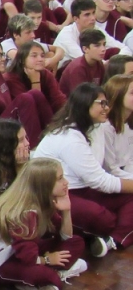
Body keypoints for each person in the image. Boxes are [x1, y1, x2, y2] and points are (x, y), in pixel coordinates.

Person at [32, 83, 133, 257]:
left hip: (84, 188)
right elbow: (100, 181)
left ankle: (112, 241)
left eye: (107, 103)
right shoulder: (69, 137)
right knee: (105, 220)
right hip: (57, 193)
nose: (106, 108)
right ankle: (115, 230)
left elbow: (102, 173)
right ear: (85, 104)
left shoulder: (97, 126)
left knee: (126, 201)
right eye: (101, 103)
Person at [0, 158, 87, 288]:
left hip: (22, 253)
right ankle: (53, 275)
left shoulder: (42, 200)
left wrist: (66, 211)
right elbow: (27, 257)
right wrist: (48, 259)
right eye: (60, 178)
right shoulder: (26, 212)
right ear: (44, 184)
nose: (66, 182)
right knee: (49, 277)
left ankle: (45, 277)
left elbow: (65, 238)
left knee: (76, 242)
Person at [0, 40, 52, 146]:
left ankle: (53, 134)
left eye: (3, 54)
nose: (3, 59)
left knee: (35, 94)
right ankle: (33, 147)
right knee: (25, 98)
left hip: (4, 121)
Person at [55, 0, 132, 68]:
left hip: (96, 67)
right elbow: (83, 59)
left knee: (115, 51)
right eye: (87, 15)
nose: (93, 18)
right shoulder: (66, 34)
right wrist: (108, 65)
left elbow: (124, 48)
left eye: (93, 13)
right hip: (71, 71)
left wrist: (116, 62)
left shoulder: (96, 29)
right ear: (76, 19)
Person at [4, 41, 67, 114]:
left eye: (42, 56)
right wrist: (35, 81)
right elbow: (30, 108)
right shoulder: (10, 79)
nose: (40, 59)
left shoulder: (45, 73)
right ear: (22, 60)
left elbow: (58, 100)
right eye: (34, 56)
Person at [99, 75, 133, 182]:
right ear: (118, 95)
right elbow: (110, 169)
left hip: (126, 175)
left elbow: (130, 160)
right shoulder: (106, 127)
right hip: (113, 181)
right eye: (132, 93)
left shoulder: (128, 123)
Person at [59, 29, 106, 94]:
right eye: (97, 46)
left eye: (104, 44)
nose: (103, 49)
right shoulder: (77, 68)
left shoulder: (99, 63)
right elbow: (80, 97)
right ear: (85, 49)